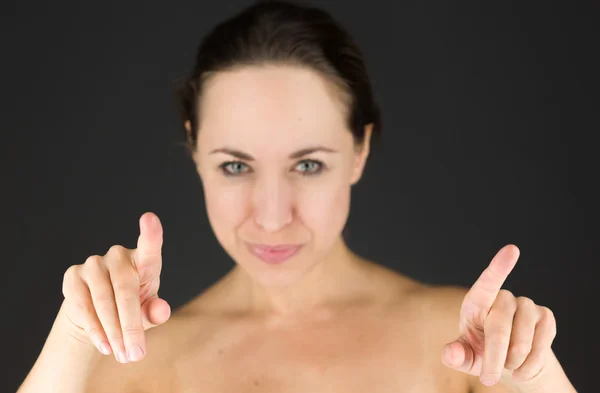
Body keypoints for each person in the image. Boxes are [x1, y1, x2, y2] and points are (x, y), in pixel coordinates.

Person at [18, 1, 577, 392]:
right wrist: (71, 337)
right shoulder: (132, 361)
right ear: (194, 149)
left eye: (308, 165)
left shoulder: (462, 347)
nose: (271, 215)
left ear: (359, 150)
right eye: (235, 165)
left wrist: (537, 378)